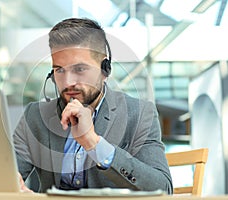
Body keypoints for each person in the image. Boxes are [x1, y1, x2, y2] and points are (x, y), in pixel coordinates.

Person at [13, 17, 173, 194]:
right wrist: (14, 187)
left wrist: (93, 143)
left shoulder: (139, 114)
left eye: (79, 69)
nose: (68, 82)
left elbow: (163, 189)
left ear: (105, 70)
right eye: (59, 70)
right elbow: (8, 175)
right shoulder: (35, 115)